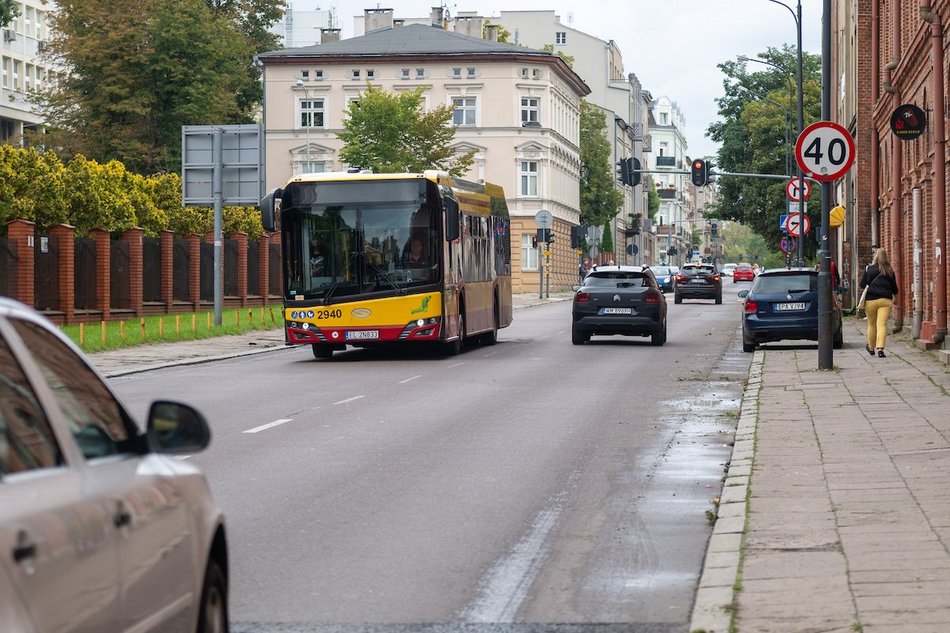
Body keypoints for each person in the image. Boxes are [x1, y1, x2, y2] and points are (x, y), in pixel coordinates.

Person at [859, 247, 899, 358]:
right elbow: (894, 288)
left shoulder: (869, 269)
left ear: (875, 257)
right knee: (882, 325)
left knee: (871, 325)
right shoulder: (889, 270)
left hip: (870, 301)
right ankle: (880, 349)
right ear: (886, 257)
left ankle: (871, 348)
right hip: (885, 301)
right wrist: (896, 298)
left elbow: (862, 285)